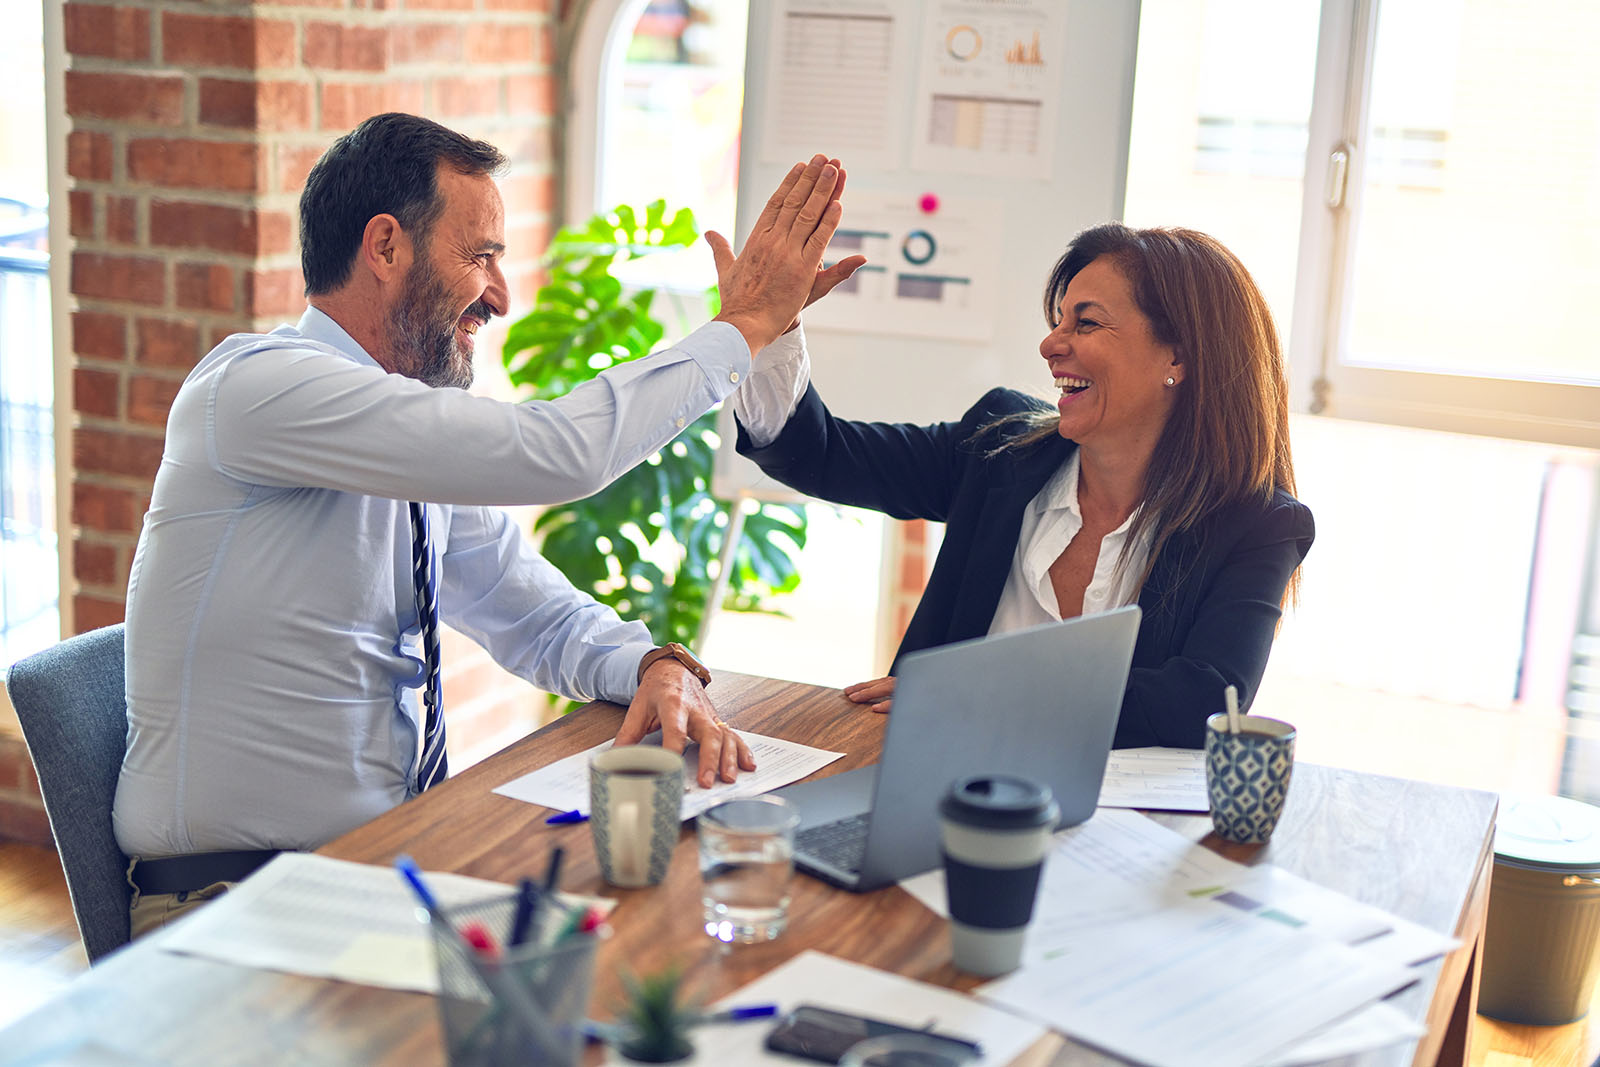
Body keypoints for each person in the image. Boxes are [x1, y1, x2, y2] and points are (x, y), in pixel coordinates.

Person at [113, 113, 857, 936]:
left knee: (634, 954)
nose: (499, 296)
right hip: (235, 902)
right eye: (481, 257)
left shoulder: (395, 433)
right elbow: (556, 452)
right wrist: (744, 327)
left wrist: (652, 662)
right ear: (386, 247)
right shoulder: (258, 390)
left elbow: (527, 606)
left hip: (381, 872)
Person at [732, 223, 1313, 750]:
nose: (1051, 344)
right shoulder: (999, 448)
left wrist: (976, 693)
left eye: (1085, 322)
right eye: (1057, 321)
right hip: (930, 786)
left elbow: (1203, 704)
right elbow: (820, 454)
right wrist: (770, 327)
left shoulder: (1258, 524)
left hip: (1120, 833)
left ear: (1178, 357)